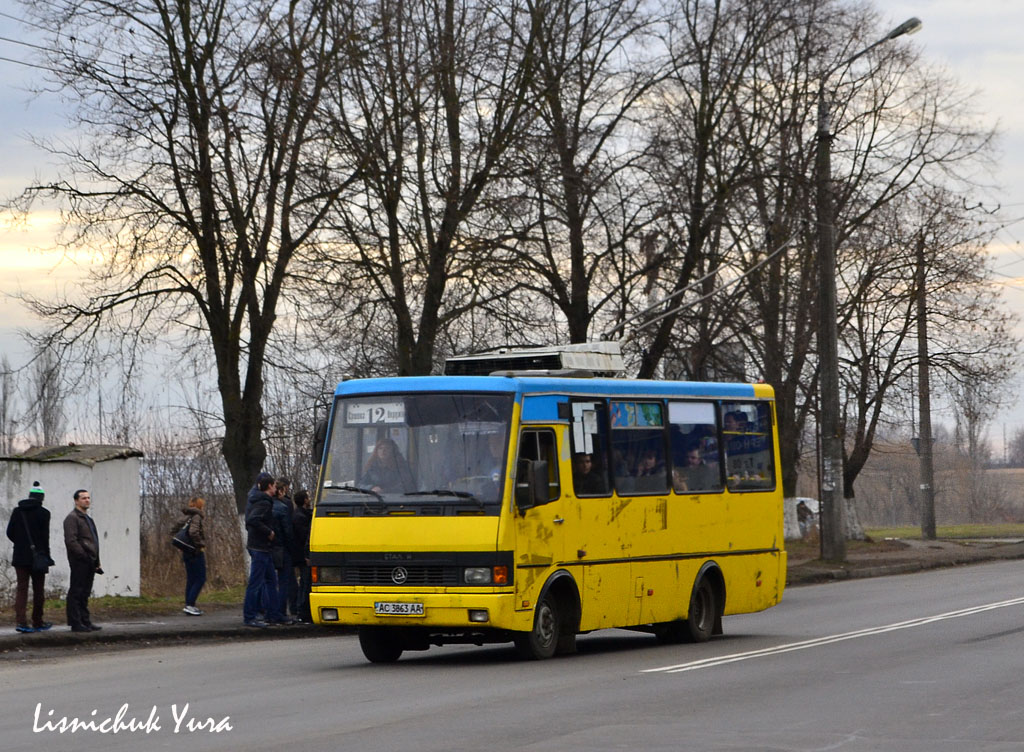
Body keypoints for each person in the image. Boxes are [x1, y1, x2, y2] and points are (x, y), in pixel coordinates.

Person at [5, 481, 54, 633]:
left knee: (22, 590)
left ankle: (21, 622)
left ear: (29, 496)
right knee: (38, 591)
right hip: (38, 557)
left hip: (20, 557)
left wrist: (21, 544)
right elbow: (45, 537)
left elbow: (10, 532)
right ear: (41, 498)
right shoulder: (44, 513)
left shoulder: (17, 511)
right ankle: (37, 621)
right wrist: (46, 556)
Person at [242, 472, 280, 628]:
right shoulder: (263, 502)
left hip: (260, 547)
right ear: (270, 486)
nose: (276, 488)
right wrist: (269, 532)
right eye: (275, 486)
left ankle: (274, 614)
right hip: (260, 547)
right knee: (256, 583)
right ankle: (249, 616)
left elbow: (248, 520)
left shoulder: (255, 498)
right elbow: (252, 520)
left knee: (271, 581)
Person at [63, 489, 103, 633]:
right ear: (76, 501)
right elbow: (71, 540)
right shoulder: (72, 518)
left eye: (88, 498)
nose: (87, 500)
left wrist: (97, 561)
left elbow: (94, 541)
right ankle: (76, 622)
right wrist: (83, 556)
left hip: (90, 561)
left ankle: (85, 620)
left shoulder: (88, 519)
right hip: (80, 561)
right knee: (77, 591)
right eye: (83, 498)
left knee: (85, 592)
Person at [270, 481, 297, 625]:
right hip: (282, 548)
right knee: (284, 581)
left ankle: (270, 611)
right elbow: (288, 531)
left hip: (268, 547)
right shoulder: (283, 507)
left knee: (269, 582)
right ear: (280, 491)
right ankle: (281, 612)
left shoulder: (265, 506)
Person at [179, 496, 207, 616]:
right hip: (195, 551)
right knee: (200, 578)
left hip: (186, 551)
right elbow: (193, 532)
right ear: (200, 506)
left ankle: (188, 605)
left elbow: (174, 530)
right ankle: (190, 604)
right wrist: (200, 544)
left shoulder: (186, 517)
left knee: (191, 579)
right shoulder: (196, 516)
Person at [291, 489, 313, 623]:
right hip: (303, 556)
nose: (309, 499)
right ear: (304, 500)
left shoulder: (302, 514)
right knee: (305, 583)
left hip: (303, 555)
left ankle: (304, 611)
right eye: (308, 497)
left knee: (305, 582)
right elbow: (304, 537)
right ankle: (303, 612)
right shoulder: (299, 517)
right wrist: (306, 555)